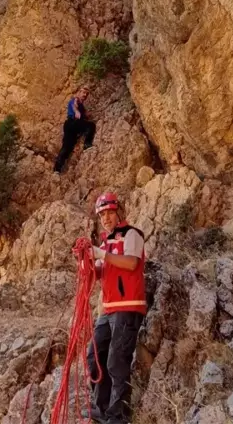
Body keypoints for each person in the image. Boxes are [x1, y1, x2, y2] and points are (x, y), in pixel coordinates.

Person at [85, 192, 147, 424]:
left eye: (109, 212)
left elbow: (131, 263)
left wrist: (102, 254)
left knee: (116, 360)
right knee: (94, 356)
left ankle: (118, 416)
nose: (106, 218)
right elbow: (100, 271)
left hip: (128, 306)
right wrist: (87, 263)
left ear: (118, 211)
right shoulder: (106, 242)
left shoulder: (132, 234)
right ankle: (101, 409)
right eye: (102, 215)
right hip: (109, 309)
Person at [53, 86, 96, 173]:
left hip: (71, 126)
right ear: (79, 92)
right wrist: (76, 111)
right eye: (83, 92)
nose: (85, 95)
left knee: (67, 146)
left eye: (86, 94)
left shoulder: (82, 107)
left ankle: (56, 169)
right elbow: (74, 105)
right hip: (72, 123)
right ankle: (87, 144)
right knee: (91, 126)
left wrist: (87, 114)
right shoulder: (75, 100)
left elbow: (85, 114)